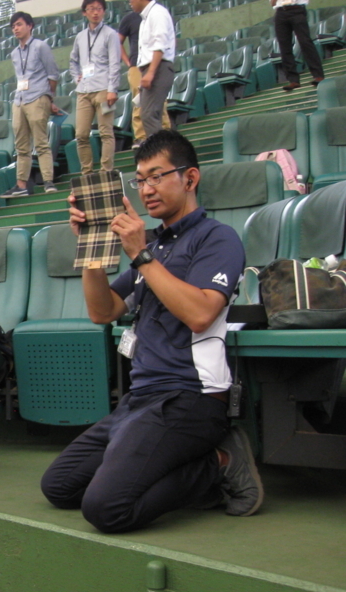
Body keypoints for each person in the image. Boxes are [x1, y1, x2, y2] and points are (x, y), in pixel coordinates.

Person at [40, 130, 262, 534]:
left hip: (192, 399)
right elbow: (102, 311)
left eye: (157, 176)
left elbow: (200, 314)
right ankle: (187, 470)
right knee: (59, 486)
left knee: (106, 509)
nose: (146, 189)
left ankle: (221, 463)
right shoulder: (154, 246)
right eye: (140, 180)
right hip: (141, 399)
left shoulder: (217, 238)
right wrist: (92, 247)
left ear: (190, 178)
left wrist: (139, 254)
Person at [0, 12, 60, 199]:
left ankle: (48, 181)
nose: (15, 29)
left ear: (30, 26)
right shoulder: (14, 53)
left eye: (19, 24)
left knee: (41, 141)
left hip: (38, 96)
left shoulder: (41, 46)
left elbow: (53, 75)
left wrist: (49, 98)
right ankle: (21, 185)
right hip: (20, 99)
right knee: (21, 146)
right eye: (13, 26)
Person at [68, 0, 121, 177]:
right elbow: (73, 61)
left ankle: (106, 170)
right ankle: (87, 172)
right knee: (81, 134)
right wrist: (77, 78)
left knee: (106, 132)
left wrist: (113, 89)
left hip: (104, 89)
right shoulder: (80, 37)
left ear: (104, 11)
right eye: (91, 9)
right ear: (85, 12)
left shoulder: (110, 34)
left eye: (98, 8)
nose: (95, 12)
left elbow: (115, 63)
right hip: (83, 91)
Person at [270, 0, 324, 91]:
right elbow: (272, 1)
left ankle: (318, 75)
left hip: (297, 10)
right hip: (281, 12)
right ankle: (293, 79)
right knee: (284, 46)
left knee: (305, 42)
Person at [126, 0, 176, 140]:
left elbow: (159, 45)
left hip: (158, 67)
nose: (130, 3)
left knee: (149, 115)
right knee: (147, 114)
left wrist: (151, 73)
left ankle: (162, 154)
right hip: (151, 68)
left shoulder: (157, 13)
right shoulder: (146, 18)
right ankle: (161, 152)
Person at [117, 7, 171, 149]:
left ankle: (165, 133)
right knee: (139, 101)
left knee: (159, 100)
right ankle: (141, 137)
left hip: (154, 63)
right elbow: (118, 42)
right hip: (136, 66)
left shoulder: (157, 15)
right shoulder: (129, 18)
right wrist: (128, 63)